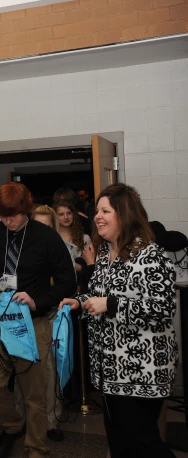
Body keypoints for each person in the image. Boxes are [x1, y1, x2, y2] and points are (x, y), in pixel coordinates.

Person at [60, 184, 177, 458]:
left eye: (105, 211)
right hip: (110, 372)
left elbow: (162, 307)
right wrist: (81, 300)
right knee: (119, 442)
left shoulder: (150, 254)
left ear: (124, 215)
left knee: (144, 443)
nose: (97, 216)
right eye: (97, 210)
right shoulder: (104, 254)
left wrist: (110, 304)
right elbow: (101, 295)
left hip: (141, 372)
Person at [0, 183, 75, 458]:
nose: (8, 221)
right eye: (2, 215)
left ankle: (37, 446)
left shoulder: (46, 237)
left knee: (34, 390)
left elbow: (68, 281)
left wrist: (38, 301)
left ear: (26, 210)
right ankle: (12, 424)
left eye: (13, 215)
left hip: (33, 321)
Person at [30, 205, 66, 442]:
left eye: (47, 226)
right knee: (25, 367)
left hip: (53, 314)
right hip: (26, 317)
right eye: (38, 225)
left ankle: (52, 420)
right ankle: (26, 418)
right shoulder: (24, 249)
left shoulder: (60, 248)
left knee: (51, 368)